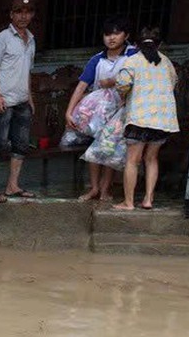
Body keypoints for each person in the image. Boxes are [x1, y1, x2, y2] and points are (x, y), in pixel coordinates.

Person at [66, 16, 137, 202]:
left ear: (126, 35)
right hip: (99, 112)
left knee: (110, 149)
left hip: (123, 110)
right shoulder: (97, 59)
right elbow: (81, 86)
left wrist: (112, 82)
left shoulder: (133, 55)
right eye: (107, 34)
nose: (111, 38)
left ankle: (105, 190)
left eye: (117, 33)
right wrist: (69, 111)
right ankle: (94, 188)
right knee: (95, 149)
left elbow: (138, 77)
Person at [113, 27, 178, 210]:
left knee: (133, 160)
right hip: (163, 119)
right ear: (160, 44)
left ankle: (129, 202)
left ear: (136, 44)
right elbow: (173, 83)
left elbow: (123, 84)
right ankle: (148, 200)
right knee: (152, 159)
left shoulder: (132, 61)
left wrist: (124, 96)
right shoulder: (167, 62)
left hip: (139, 118)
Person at [0, 0, 38, 203]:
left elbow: (28, 72)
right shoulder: (2, 38)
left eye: (27, 12)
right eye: (19, 12)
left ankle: (12, 186)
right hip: (3, 101)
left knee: (20, 144)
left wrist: (30, 97)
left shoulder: (31, 40)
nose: (23, 16)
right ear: (11, 14)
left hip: (22, 100)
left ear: (32, 15)